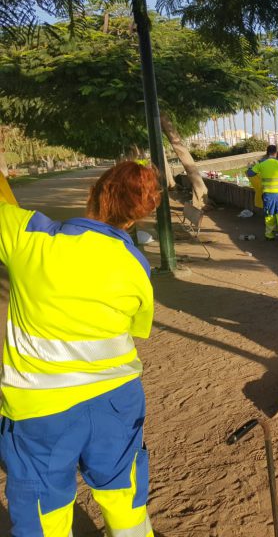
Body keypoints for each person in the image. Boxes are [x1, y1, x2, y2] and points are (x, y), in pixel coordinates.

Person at [0, 162, 158, 536]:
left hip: (40, 410)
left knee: (44, 507)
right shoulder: (137, 265)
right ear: (137, 216)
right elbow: (137, 324)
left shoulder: (29, 238)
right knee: (125, 497)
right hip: (118, 403)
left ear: (93, 193)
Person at [246, 144, 278, 243]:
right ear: (276, 153)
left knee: (269, 215)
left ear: (267, 153)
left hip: (268, 195)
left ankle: (269, 235)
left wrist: (251, 167)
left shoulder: (261, 164)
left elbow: (250, 173)